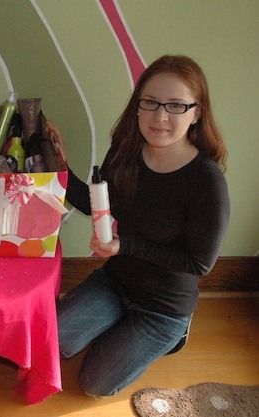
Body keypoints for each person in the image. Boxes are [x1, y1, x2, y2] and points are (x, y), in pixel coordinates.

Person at [47, 55, 230, 397]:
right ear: (138, 106)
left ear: (197, 113)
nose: (160, 116)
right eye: (150, 102)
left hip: (163, 311)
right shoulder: (126, 151)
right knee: (49, 341)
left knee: (94, 385)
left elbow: (199, 263)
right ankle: (114, 323)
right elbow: (94, 204)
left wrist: (125, 246)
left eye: (176, 105)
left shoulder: (206, 181)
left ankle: (173, 336)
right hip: (116, 284)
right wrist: (61, 165)